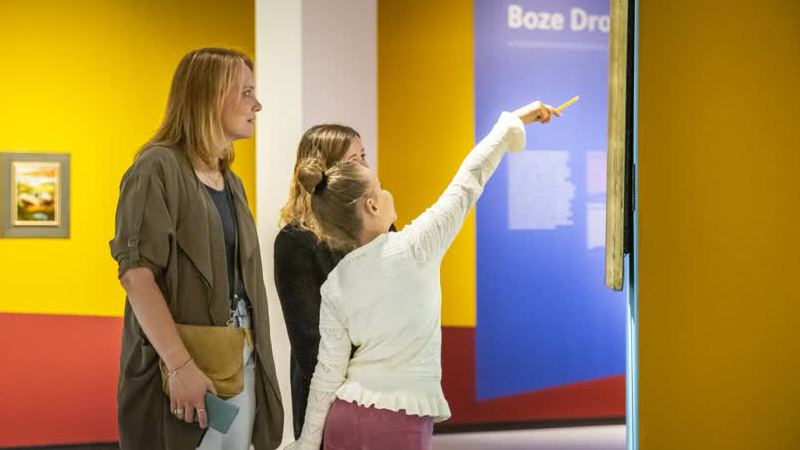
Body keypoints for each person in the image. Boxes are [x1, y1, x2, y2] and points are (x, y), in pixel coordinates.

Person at [285, 100, 560, 450]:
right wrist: (508, 126)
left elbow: (327, 374)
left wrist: (307, 443)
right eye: (380, 187)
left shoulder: (336, 283)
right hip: (400, 421)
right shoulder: (417, 246)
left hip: (343, 417)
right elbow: (468, 180)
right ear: (372, 205)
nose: (386, 191)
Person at [109, 47, 283, 450]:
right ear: (210, 96)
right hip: (179, 370)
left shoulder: (231, 181)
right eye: (246, 92)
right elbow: (136, 276)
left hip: (236, 362)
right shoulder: (157, 168)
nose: (257, 104)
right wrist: (180, 365)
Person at [273, 124, 393, 445]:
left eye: (364, 156)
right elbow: (310, 343)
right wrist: (356, 395)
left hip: (387, 391)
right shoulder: (295, 240)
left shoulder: (379, 224)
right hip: (330, 402)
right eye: (355, 159)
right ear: (329, 172)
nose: (366, 167)